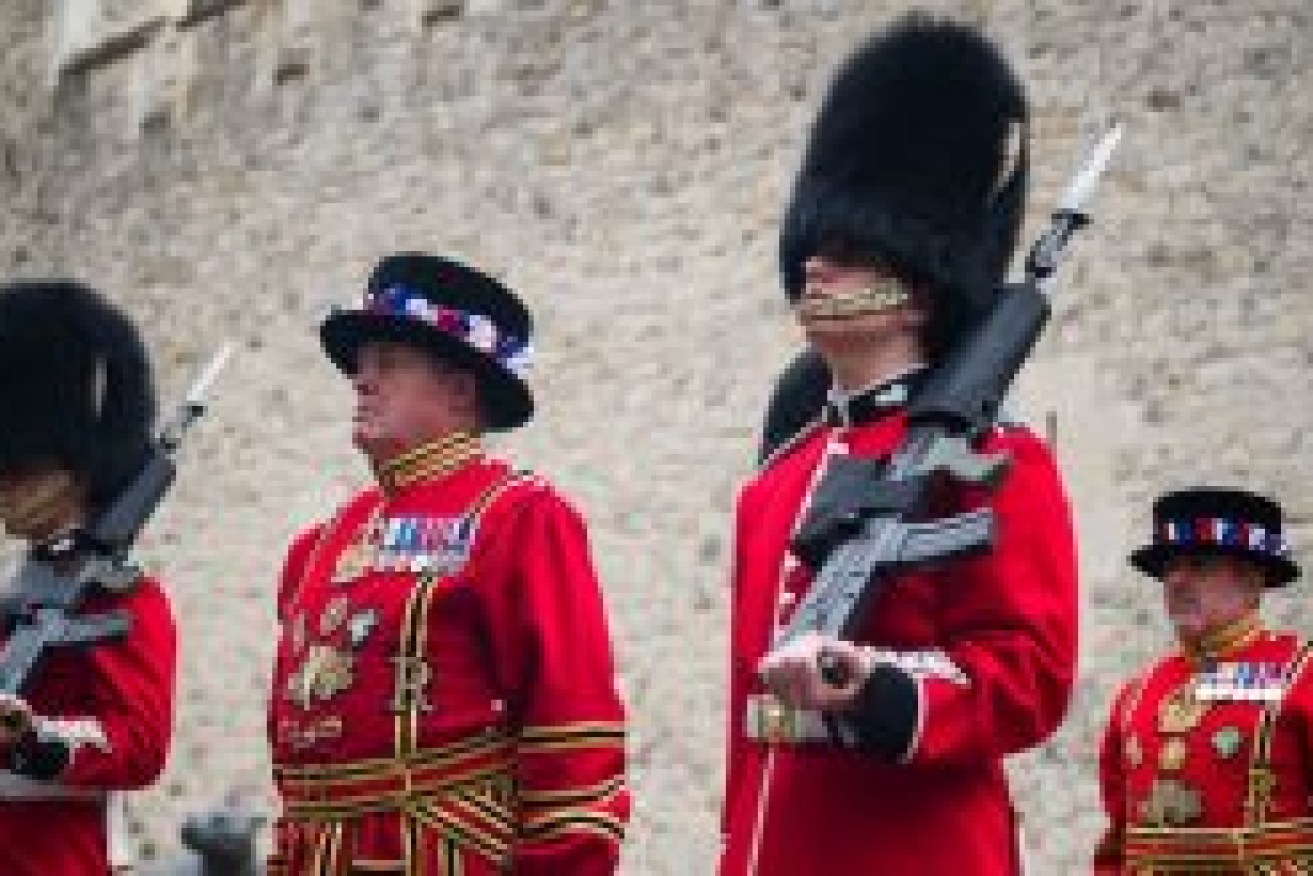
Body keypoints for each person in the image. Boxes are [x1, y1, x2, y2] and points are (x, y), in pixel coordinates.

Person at [720, 14, 1079, 875]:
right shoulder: (776, 482)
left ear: (917, 290)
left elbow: (1028, 675)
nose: (813, 269)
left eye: (845, 252)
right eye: (811, 248)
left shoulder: (996, 457)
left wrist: (879, 689)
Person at [267, 253, 629, 875]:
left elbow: (571, 733)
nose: (361, 380)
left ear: (461, 389)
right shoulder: (320, 543)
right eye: (360, 364)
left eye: (389, 363)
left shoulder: (520, 517)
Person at [0, 279, 176, 875]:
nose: (4, 489)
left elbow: (141, 746)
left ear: (74, 470)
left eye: (18, 470)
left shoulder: (123, 599)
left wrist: (33, 739)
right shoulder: (16, 596)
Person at [1094, 487, 1313, 873]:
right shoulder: (1137, 695)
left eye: (1198, 564)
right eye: (1169, 567)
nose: (1177, 580)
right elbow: (1118, 842)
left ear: (1251, 580)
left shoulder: (1303, 675)